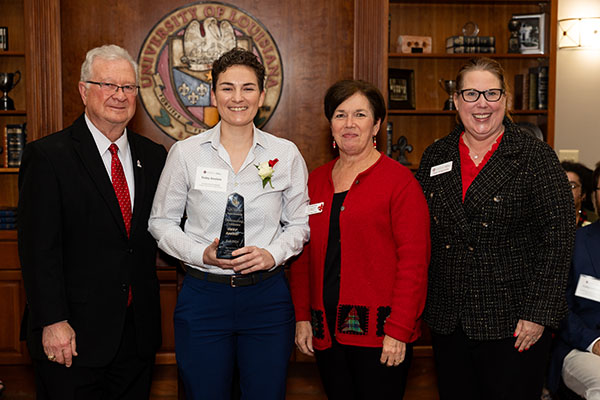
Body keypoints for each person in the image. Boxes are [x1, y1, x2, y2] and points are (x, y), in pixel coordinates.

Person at [148, 48, 309, 400]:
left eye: (248, 88)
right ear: (213, 92)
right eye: (228, 88)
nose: (238, 98)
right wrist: (201, 253)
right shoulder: (186, 154)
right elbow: (161, 222)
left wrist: (272, 254)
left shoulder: (285, 154)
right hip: (204, 296)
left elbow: (299, 223)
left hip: (266, 298)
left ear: (262, 95)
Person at [415, 57, 576, 400]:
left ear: (506, 100)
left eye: (491, 93)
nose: (482, 104)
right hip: (449, 319)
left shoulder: (535, 157)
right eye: (471, 94)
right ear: (456, 101)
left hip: (514, 323)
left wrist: (537, 314)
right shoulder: (435, 155)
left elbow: (559, 240)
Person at [18, 44, 167, 399]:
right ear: (84, 90)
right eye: (108, 85)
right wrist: (53, 322)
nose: (120, 95)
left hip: (136, 337)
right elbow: (39, 251)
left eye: (128, 87)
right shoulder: (48, 156)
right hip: (71, 337)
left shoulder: (154, 156)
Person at [290, 79, 430, 399]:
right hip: (324, 332)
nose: (349, 124)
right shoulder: (314, 181)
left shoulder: (400, 182)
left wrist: (399, 330)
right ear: (331, 124)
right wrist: (302, 317)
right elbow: (301, 255)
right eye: (340, 115)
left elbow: (415, 263)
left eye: (360, 115)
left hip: (381, 336)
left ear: (377, 124)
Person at [548, 163, 600, 399]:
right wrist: (594, 342)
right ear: (595, 196)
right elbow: (559, 306)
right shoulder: (574, 243)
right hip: (583, 347)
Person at [562, 161, 597, 228]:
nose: (566, 190)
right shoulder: (545, 220)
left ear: (583, 194)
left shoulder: (595, 221)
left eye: (572, 186)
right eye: (561, 185)